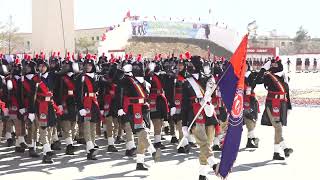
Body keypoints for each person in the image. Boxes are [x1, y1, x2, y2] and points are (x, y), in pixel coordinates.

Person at [116, 58, 160, 170]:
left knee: (143, 135)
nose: (137, 69)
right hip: (133, 108)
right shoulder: (126, 79)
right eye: (134, 67)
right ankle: (152, 151)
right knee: (142, 132)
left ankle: (139, 162)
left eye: (139, 67)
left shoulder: (144, 81)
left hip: (144, 108)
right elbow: (119, 92)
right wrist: (120, 107)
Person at [181, 56, 218, 180]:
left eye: (192, 64)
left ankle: (202, 175)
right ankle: (214, 165)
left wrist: (209, 95)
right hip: (194, 115)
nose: (189, 66)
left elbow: (215, 93)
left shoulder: (208, 79)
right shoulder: (187, 82)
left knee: (208, 144)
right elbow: (184, 104)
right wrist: (184, 124)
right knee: (203, 143)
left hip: (208, 113)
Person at [258, 57, 293, 160]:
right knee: (278, 127)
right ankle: (284, 148)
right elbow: (258, 80)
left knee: (278, 128)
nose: (273, 66)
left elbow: (287, 92)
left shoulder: (283, 75)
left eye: (275, 64)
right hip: (271, 103)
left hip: (282, 104)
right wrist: (264, 69)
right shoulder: (268, 75)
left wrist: (289, 107)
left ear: (279, 64)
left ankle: (276, 153)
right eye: (272, 64)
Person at [76, 54, 100, 160]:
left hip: (94, 103)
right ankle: (90, 148)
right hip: (86, 103)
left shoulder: (96, 76)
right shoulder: (81, 77)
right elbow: (78, 93)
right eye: (87, 65)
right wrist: (80, 107)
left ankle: (92, 146)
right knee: (86, 126)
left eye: (90, 65)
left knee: (93, 127)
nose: (88, 67)